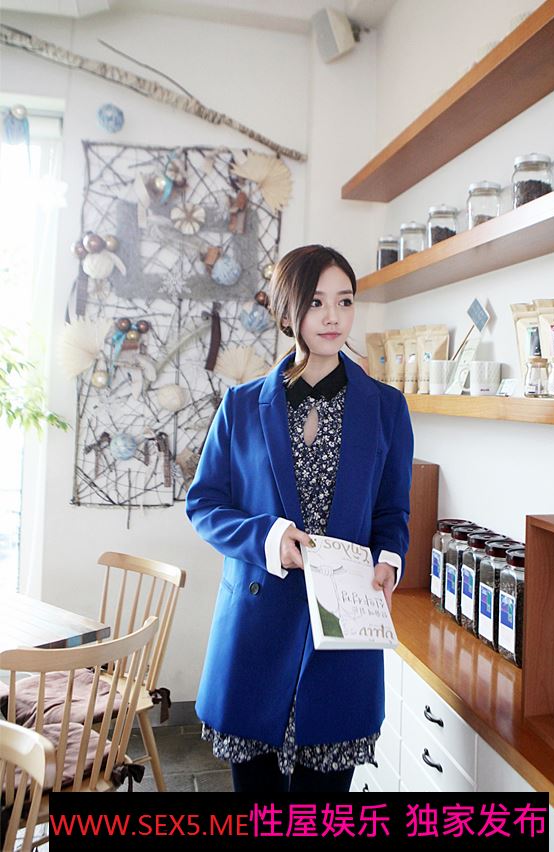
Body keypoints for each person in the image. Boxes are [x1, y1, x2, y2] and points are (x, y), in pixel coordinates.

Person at [186, 244, 414, 793]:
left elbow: (392, 511)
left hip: (344, 631)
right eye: (316, 302)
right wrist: (269, 537)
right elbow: (205, 504)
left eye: (345, 301)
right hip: (255, 632)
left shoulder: (386, 408)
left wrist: (389, 560)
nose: (333, 316)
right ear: (288, 311)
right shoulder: (241, 406)